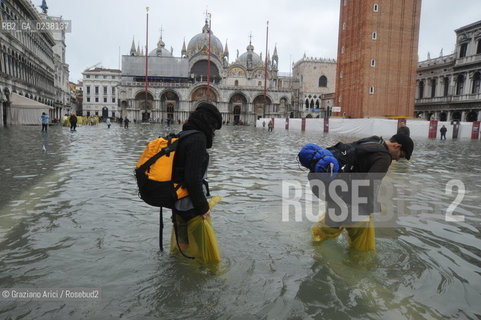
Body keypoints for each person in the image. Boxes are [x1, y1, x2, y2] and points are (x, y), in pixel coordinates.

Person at [310, 134, 414, 251]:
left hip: (334, 190)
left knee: (325, 232)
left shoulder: (373, 140)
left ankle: (314, 250)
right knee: (363, 248)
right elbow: (370, 185)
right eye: (402, 155)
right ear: (397, 146)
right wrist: (368, 211)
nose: (398, 159)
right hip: (349, 199)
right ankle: (357, 267)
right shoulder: (384, 157)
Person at [171, 102, 223, 251]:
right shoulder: (198, 139)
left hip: (177, 204)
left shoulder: (184, 135)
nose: (213, 132)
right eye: (213, 127)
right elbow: (192, 178)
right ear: (208, 122)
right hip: (191, 207)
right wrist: (203, 208)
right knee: (204, 249)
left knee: (182, 246)